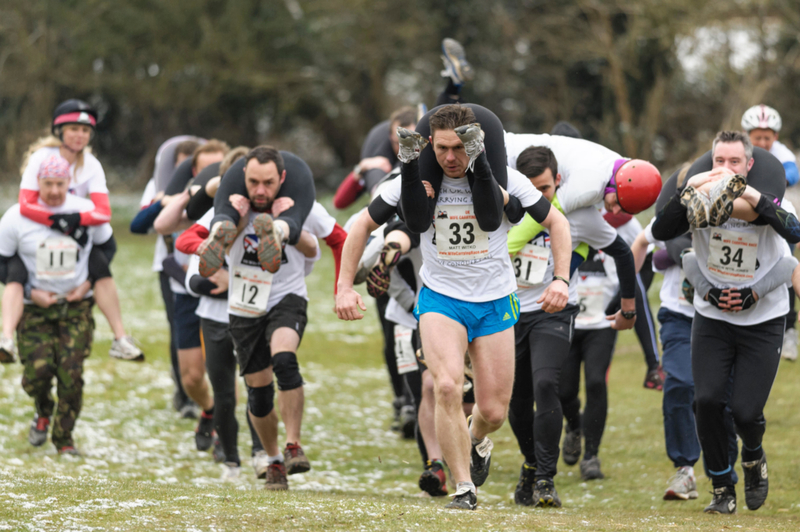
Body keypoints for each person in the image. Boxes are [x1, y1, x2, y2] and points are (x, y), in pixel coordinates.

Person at [337, 104, 574, 510]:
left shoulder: (507, 180)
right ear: (431, 144)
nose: (450, 158)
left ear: (475, 144)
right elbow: (359, 223)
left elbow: (558, 223)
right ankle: (464, 487)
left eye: (459, 148)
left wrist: (561, 280)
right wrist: (343, 286)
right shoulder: (414, 181)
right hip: (441, 300)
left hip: (495, 300)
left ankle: (476, 438)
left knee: (494, 412)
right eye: (442, 148)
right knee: (445, 386)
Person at [652, 131, 800, 514]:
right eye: (719, 161)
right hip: (713, 317)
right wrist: (692, 188)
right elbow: (661, 231)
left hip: (763, 318)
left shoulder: (768, 198)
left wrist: (750, 196)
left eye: (735, 162)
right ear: (710, 161)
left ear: (749, 165)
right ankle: (722, 488)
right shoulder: (697, 199)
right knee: (707, 401)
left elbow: (793, 237)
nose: (726, 168)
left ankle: (753, 456)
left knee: (746, 412)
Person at [505, 146, 640, 507]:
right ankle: (531, 464)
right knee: (515, 403)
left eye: (545, 190)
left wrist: (628, 307)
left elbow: (624, 254)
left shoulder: (578, 215)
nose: (537, 198)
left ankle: (546, 480)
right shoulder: (505, 210)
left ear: (559, 182)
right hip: (508, 314)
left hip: (554, 312)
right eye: (529, 189)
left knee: (546, 383)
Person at [503, 131, 664, 387]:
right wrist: (502, 254)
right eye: (618, 203)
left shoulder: (622, 169)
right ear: (613, 187)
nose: (616, 212)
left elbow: (583, 239)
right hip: (498, 152)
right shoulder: (588, 186)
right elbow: (545, 215)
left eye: (627, 211)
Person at [1, 99, 143, 363]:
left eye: (85, 131)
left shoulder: (92, 165)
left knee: (101, 265)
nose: (80, 136)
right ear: (59, 131)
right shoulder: (41, 158)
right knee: (15, 271)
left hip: (77, 230)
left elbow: (103, 213)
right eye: (73, 129)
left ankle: (120, 338)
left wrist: (75, 218)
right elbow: (26, 205)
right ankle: (6, 337)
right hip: (41, 227)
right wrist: (57, 221)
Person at [0, 154, 113, 455]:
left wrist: (88, 283)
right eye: (47, 184)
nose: (53, 191)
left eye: (59, 184)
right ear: (36, 183)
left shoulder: (86, 210)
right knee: (37, 375)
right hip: (35, 308)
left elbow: (107, 247)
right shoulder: (16, 217)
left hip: (75, 306)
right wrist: (27, 289)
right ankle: (42, 408)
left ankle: (64, 440)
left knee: (71, 375)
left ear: (69, 183)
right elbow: (2, 260)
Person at [154, 141, 228, 449]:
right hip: (185, 292)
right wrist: (187, 193)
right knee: (192, 378)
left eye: (220, 167)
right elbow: (153, 223)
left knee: (225, 373)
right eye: (205, 168)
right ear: (193, 171)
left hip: (224, 296)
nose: (214, 173)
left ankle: (228, 436)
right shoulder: (185, 203)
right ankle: (209, 410)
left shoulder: (236, 203)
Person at [130, 136, 201, 417]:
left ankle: (209, 388)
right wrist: (163, 201)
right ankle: (185, 394)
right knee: (179, 327)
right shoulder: (159, 185)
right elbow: (141, 224)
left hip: (207, 263)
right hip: (170, 264)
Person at [741, 104, 800, 361]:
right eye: (758, 137)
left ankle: (788, 331)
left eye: (767, 137)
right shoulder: (739, 151)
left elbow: (792, 172)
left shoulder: (781, 152)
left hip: (774, 213)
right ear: (747, 135)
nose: (763, 142)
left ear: (775, 137)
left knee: (786, 263)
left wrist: (773, 182)